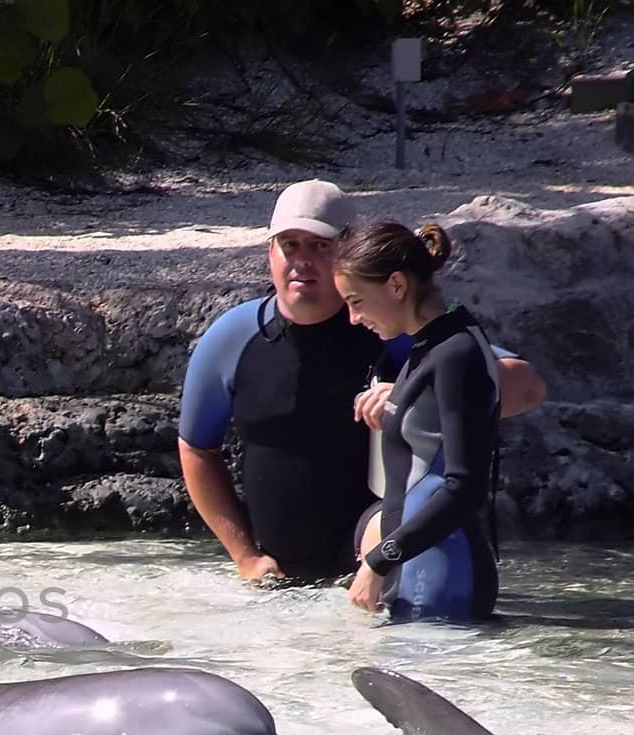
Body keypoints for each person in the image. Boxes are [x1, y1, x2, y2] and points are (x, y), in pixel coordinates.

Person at [177, 180, 545, 585]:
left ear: (349, 253)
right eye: (290, 245)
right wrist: (245, 556)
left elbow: (526, 387)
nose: (302, 261)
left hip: (374, 564)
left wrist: (413, 393)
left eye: (320, 246)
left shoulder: (388, 324)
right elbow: (196, 447)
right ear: (270, 253)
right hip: (276, 579)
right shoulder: (234, 336)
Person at [337, 221, 500, 622]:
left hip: (443, 574)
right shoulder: (433, 342)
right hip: (418, 565)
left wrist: (379, 560)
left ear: (396, 285)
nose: (353, 319)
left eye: (356, 301)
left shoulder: (455, 352)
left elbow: (464, 486)